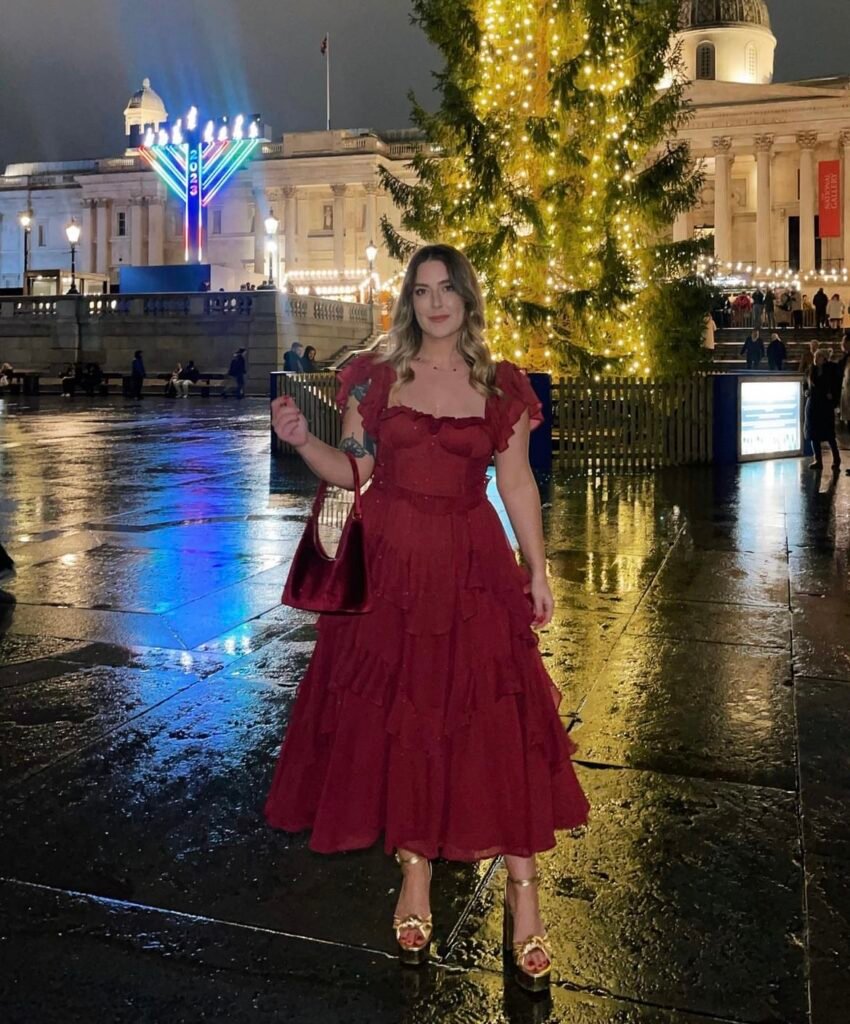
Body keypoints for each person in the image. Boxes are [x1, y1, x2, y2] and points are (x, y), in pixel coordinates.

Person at [265, 243, 589, 990]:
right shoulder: (374, 379)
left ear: (468, 299)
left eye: (447, 289)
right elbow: (354, 472)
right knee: (407, 719)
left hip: (473, 567)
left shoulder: (500, 384)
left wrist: (537, 569)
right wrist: (304, 441)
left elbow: (517, 485)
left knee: (494, 720)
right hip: (391, 569)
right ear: (408, 302)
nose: (435, 302)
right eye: (421, 290)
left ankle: (523, 889)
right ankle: (414, 875)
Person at [805, 350, 841, 471]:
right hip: (813, 405)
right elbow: (807, 384)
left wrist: (833, 398)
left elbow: (836, 385)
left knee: (829, 434)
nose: (816, 358)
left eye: (819, 356)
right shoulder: (811, 370)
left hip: (825, 406)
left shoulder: (831, 369)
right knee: (813, 434)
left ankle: (837, 459)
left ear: (824, 358)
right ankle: (818, 460)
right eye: (815, 356)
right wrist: (806, 391)